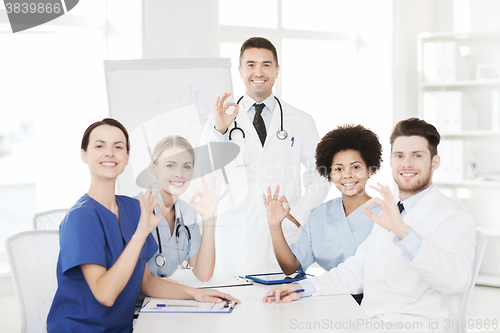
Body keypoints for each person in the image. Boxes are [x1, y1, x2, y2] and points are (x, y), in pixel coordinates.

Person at [264, 118, 477, 332]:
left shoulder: (453, 217)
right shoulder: (390, 213)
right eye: (400, 156)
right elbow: (356, 270)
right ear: (391, 162)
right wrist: (302, 287)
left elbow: (456, 281)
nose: (407, 163)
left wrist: (403, 232)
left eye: (417, 156)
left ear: (435, 162)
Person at [47, 118, 239, 333]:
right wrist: (140, 233)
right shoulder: (81, 217)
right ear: (84, 154)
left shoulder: (132, 208)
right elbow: (105, 294)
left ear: (127, 157)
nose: (109, 153)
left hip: (125, 327)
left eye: (118, 147)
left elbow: (146, 282)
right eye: (100, 146)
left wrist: (195, 294)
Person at [202, 37, 331, 270]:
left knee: (281, 302)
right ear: (240, 71)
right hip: (233, 243)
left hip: (283, 236)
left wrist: (298, 215)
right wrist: (219, 131)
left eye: (266, 65)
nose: (258, 72)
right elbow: (205, 173)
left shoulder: (300, 121)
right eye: (251, 64)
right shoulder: (219, 121)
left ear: (277, 70)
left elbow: (321, 173)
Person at [263, 124, 382, 278]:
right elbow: (290, 267)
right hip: (328, 294)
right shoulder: (319, 215)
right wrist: (274, 226)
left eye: (356, 167)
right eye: (338, 169)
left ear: (370, 170)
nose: (347, 175)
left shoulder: (386, 215)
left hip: (372, 298)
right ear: (329, 174)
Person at [146, 135, 226, 281]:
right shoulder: (135, 207)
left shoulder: (187, 213)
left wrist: (209, 218)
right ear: (153, 169)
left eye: (186, 166)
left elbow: (204, 273)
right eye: (170, 165)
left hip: (161, 299)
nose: (179, 174)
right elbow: (139, 280)